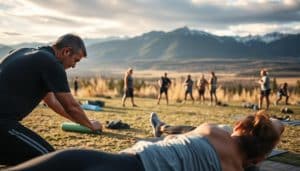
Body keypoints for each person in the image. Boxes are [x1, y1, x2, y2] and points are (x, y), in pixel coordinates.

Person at [7, 110, 284, 171]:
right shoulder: (237, 167)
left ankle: (159, 127)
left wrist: (270, 122)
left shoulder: (214, 131)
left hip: (133, 165)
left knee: (74, 160)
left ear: (238, 126)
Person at [0, 34, 102, 166]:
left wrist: (83, 122)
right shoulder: (51, 63)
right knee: (48, 160)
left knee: (24, 161)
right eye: (75, 60)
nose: (74, 66)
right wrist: (91, 125)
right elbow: (71, 106)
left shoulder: (23, 52)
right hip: (3, 123)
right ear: (66, 51)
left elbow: (52, 101)